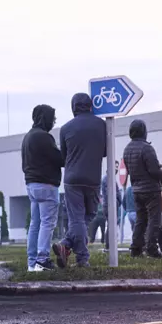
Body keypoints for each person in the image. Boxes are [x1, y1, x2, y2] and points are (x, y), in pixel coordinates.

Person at [53, 93, 107, 268]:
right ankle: (82, 258)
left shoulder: (65, 128)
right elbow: (106, 151)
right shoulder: (101, 124)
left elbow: (63, 156)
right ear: (91, 106)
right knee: (88, 215)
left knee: (77, 218)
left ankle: (65, 245)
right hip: (93, 178)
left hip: (72, 178)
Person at [22, 104, 63, 272]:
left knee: (35, 224)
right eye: (52, 118)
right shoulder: (44, 137)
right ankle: (42, 259)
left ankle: (32, 263)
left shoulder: (28, 137)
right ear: (45, 118)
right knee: (47, 223)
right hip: (46, 185)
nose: (53, 121)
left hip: (31, 185)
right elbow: (60, 160)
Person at [123, 120, 162, 258]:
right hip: (151, 190)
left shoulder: (127, 149)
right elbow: (154, 170)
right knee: (154, 219)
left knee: (141, 220)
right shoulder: (146, 148)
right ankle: (152, 248)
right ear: (143, 131)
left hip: (136, 190)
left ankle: (136, 248)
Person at [98, 161, 122, 249]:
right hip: (109, 205)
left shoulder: (110, 178)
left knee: (112, 225)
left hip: (111, 204)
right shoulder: (107, 179)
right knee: (111, 225)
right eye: (114, 167)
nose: (116, 169)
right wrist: (118, 201)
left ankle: (110, 245)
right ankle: (109, 246)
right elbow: (111, 194)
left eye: (117, 167)